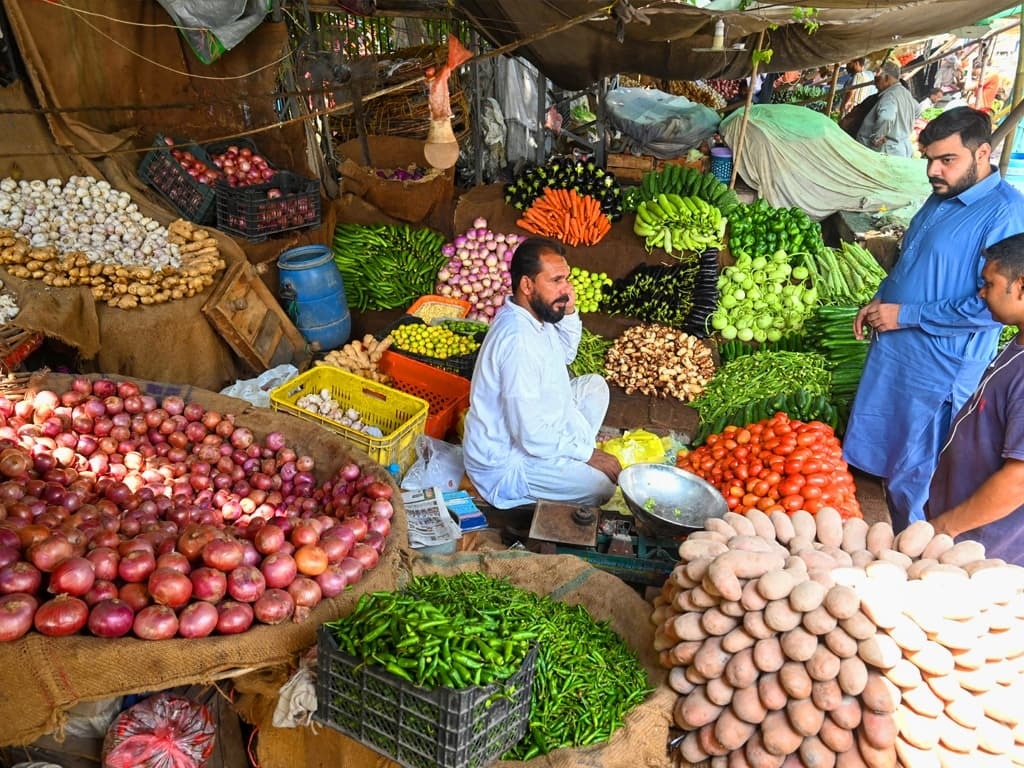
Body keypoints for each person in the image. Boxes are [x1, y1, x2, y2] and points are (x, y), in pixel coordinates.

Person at [844, 107, 1024, 533]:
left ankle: (916, 550)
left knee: (918, 466)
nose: (933, 170)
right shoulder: (940, 195)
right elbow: (912, 263)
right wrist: (880, 298)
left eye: (947, 160)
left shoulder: (1005, 214)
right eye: (928, 159)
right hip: (896, 352)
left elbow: (988, 304)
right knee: (887, 455)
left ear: (983, 153)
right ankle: (886, 530)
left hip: (938, 366)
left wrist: (905, 314)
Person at [462, 237, 621, 509]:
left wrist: (568, 311)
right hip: (507, 463)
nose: (567, 289)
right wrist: (588, 454)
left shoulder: (534, 314)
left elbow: (564, 355)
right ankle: (567, 463)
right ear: (527, 285)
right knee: (601, 487)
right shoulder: (517, 341)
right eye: (556, 281)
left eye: (566, 279)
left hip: (533, 430)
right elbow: (530, 434)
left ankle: (567, 457)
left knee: (594, 387)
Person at [927, 234, 1024, 565]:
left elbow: (1019, 479)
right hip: (965, 532)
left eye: (990, 284)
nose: (981, 293)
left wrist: (944, 527)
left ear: (1022, 286)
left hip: (988, 549)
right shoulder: (1017, 343)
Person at [855, 60, 918, 157]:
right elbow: (917, 111)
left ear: (887, 78)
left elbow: (886, 117)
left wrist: (876, 138)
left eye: (877, 79)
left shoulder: (890, 96)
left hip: (886, 150)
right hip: (901, 148)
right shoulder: (905, 93)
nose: (875, 84)